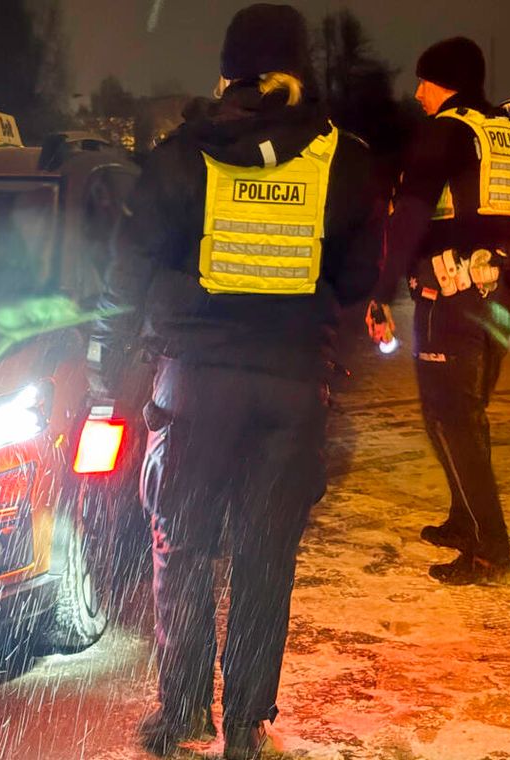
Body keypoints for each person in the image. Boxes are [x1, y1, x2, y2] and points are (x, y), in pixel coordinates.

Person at [89, 4, 383, 757]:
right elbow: (356, 281)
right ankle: (248, 726)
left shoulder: (182, 153)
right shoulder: (343, 159)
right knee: (263, 557)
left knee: (181, 545)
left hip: (194, 384)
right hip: (291, 386)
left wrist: (107, 357)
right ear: (297, 70)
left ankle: (181, 712)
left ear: (227, 73)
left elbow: (127, 270)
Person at [365, 37, 510, 586]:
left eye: (424, 82)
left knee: (452, 418)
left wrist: (383, 291)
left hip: (453, 290)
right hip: (501, 295)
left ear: (447, 82)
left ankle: (490, 550)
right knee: (463, 413)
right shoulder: (508, 132)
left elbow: (409, 216)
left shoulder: (447, 131)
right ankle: (465, 520)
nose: (417, 94)